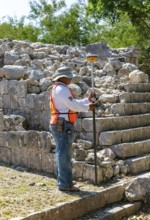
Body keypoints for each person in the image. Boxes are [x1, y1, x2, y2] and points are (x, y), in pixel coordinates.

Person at [49, 66, 98, 192]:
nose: (71, 79)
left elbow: (73, 102)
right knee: (64, 154)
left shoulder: (59, 88)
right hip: (63, 124)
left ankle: (64, 181)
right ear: (64, 77)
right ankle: (65, 184)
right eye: (69, 77)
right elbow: (73, 105)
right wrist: (89, 107)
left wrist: (87, 101)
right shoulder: (62, 89)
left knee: (62, 153)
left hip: (60, 123)